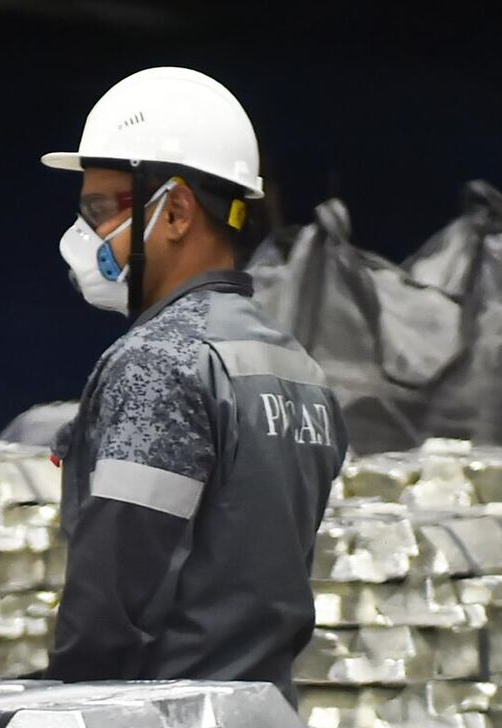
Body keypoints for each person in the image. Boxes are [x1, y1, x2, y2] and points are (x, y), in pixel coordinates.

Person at [45, 67, 347, 696]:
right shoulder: (297, 368)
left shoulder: (160, 361)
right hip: (262, 722)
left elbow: (112, 596)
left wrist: (61, 712)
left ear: (177, 212)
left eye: (100, 209)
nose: (83, 234)